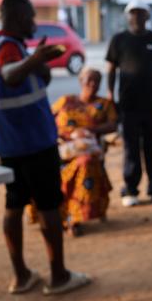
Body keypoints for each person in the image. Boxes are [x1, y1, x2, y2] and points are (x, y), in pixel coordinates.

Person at [0, 0, 90, 295]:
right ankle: (58, 276)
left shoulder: (9, 46)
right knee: (48, 207)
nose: (34, 22)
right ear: (18, 18)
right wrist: (34, 60)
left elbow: (29, 79)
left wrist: (39, 66)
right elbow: (11, 77)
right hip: (32, 143)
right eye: (31, 16)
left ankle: (22, 276)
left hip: (13, 143)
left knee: (14, 204)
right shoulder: (8, 47)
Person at [106, 0, 152, 207]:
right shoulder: (119, 40)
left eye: (141, 14)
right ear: (128, 16)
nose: (137, 17)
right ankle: (131, 189)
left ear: (147, 16)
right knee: (131, 149)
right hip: (128, 105)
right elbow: (111, 69)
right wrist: (110, 95)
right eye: (133, 13)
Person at [51, 68, 118, 237]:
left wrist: (89, 130)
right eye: (89, 80)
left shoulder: (104, 104)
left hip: (89, 150)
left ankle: (74, 219)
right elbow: (46, 119)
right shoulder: (66, 101)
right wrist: (65, 135)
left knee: (85, 163)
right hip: (63, 149)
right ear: (81, 82)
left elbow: (113, 125)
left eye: (96, 81)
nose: (92, 84)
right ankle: (57, 216)